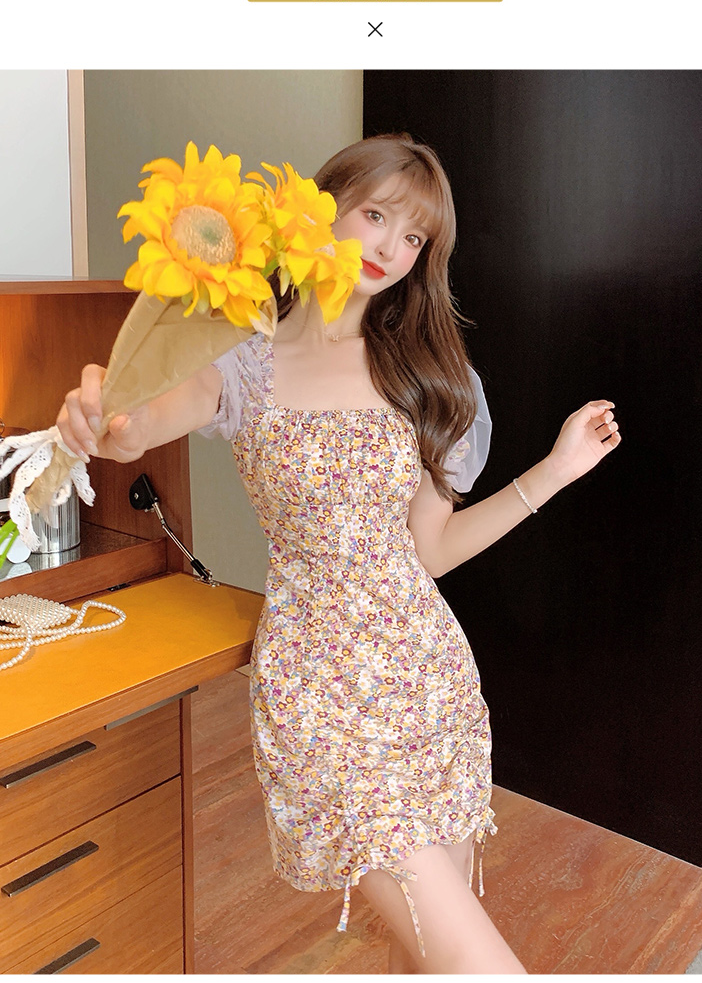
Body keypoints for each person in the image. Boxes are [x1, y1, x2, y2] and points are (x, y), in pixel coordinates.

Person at [58, 133, 621, 974]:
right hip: (322, 699)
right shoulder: (243, 359)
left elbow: (429, 552)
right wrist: (110, 416)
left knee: (430, 955)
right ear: (320, 207)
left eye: (415, 235)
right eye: (376, 215)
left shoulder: (431, 377)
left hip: (430, 684)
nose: (392, 247)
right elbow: (144, 418)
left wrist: (556, 469)